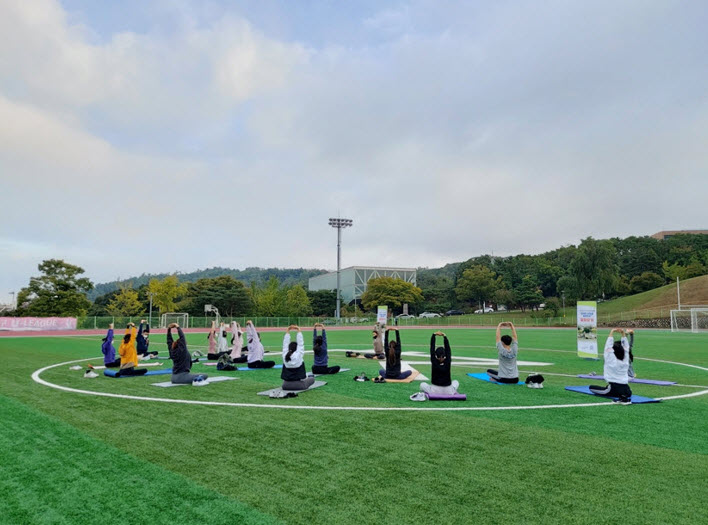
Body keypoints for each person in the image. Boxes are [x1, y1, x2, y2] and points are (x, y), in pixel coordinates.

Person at [589, 328, 632, 404]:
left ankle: (621, 397)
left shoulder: (610, 360)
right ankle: (623, 396)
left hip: (613, 389)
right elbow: (626, 347)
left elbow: (608, 346)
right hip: (627, 390)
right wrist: (623, 334)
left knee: (591, 388)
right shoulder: (625, 359)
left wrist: (612, 332)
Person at [281, 325, 315, 390]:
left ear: (289, 348)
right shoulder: (299, 354)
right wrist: (299, 330)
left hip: (285, 385)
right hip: (299, 385)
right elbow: (300, 343)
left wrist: (288, 331)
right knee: (312, 379)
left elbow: (285, 344)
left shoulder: (285, 355)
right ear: (297, 348)